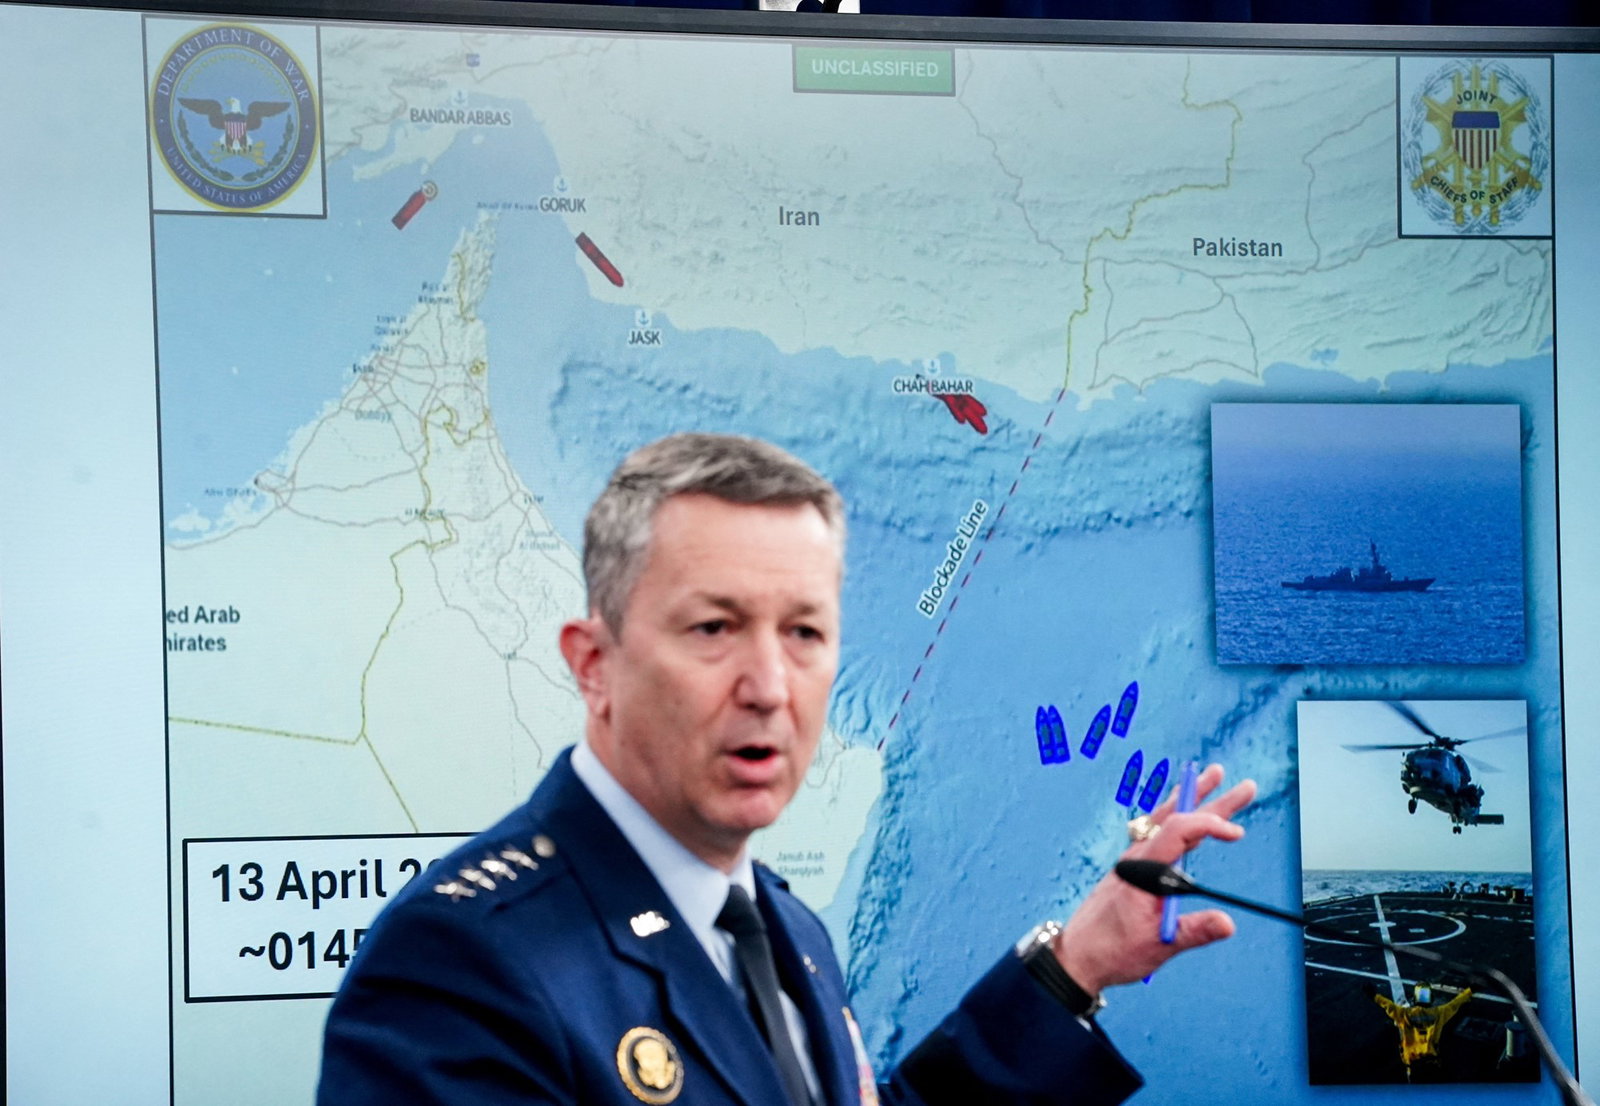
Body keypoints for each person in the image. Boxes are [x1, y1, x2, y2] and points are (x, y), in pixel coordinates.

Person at [317, 432, 1256, 1105]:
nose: (769, 685)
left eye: (804, 632)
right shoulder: (466, 967)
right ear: (593, 665)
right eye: (713, 627)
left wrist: (1075, 964)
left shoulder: (783, 927)